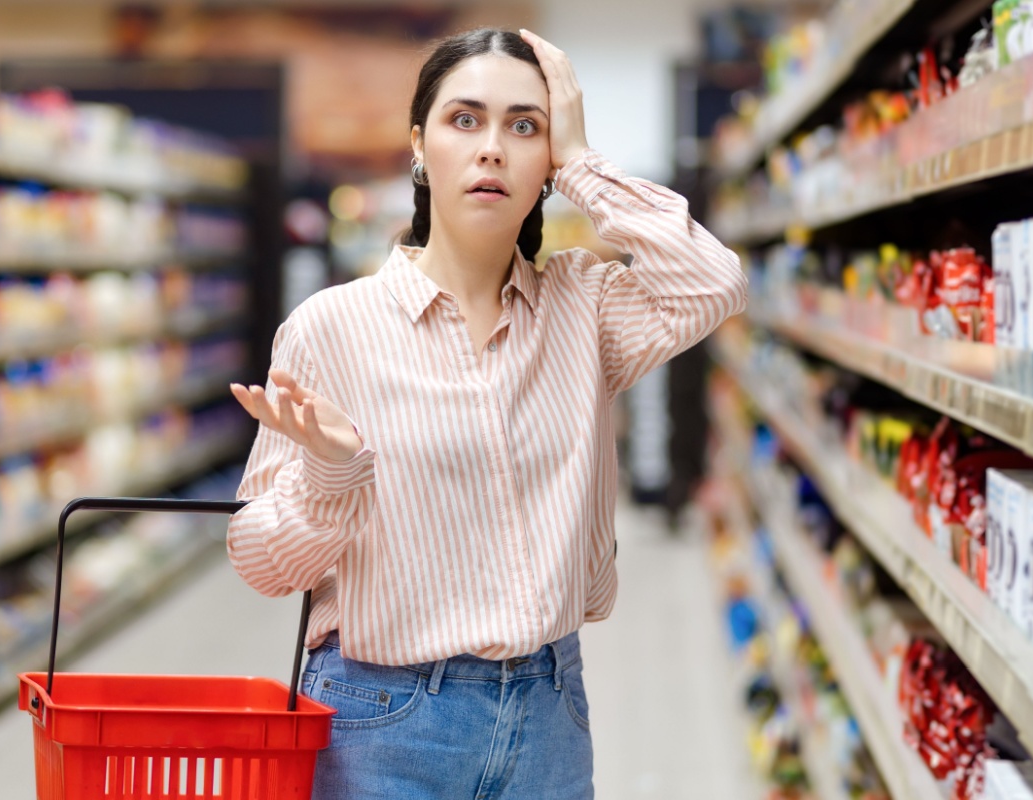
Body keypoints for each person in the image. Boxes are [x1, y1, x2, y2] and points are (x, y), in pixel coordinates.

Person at [227, 27, 747, 799]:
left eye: (525, 126)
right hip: (382, 720)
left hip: (549, 711)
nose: (493, 148)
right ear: (418, 145)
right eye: (464, 120)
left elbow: (713, 281)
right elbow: (260, 563)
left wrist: (583, 165)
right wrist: (330, 478)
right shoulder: (331, 329)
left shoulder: (585, 308)